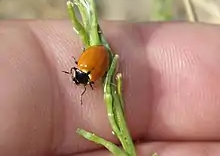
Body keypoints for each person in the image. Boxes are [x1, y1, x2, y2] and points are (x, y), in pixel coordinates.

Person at [1, 20, 220, 156]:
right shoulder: (86, 69)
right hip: (98, 55)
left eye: (76, 77)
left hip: (99, 54)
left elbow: (94, 57)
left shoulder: (87, 70)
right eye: (76, 77)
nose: (75, 78)